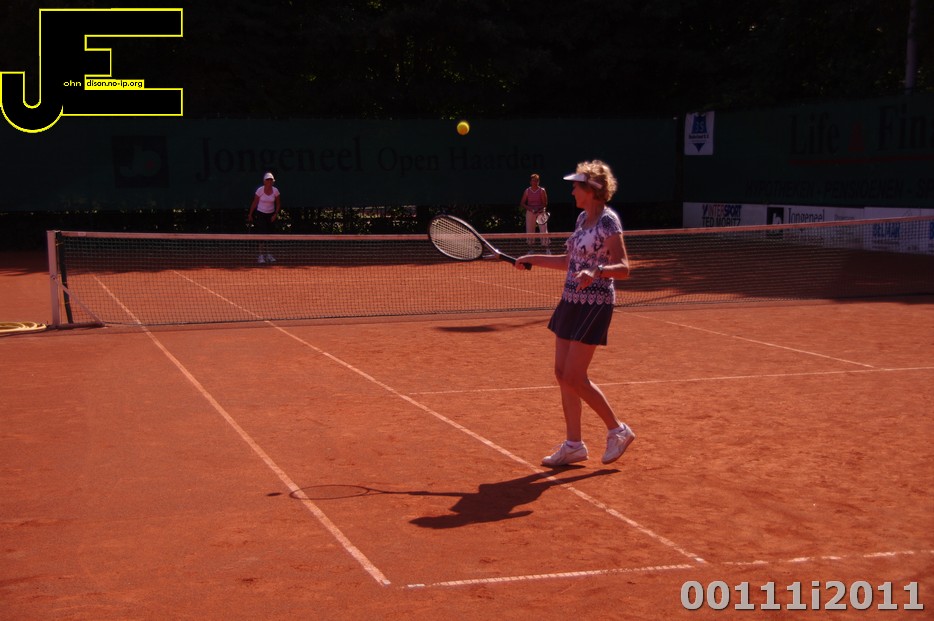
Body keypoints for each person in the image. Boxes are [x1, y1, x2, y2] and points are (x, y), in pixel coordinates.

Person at [515, 160, 635, 467]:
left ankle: (618, 430)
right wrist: (532, 258)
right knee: (562, 375)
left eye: (576, 187)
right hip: (570, 301)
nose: (571, 191)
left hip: (595, 305)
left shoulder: (608, 222)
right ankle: (574, 445)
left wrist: (596, 272)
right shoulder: (583, 218)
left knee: (574, 376)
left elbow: (623, 268)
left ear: (591, 190)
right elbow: (568, 262)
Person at [248, 172, 281, 263]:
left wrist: (275, 214)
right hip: (261, 214)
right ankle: (261, 255)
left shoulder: (276, 191)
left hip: (271, 215)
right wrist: (250, 214)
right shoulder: (260, 190)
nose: (269, 181)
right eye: (267, 180)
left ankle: (269, 254)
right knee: (262, 234)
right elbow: (255, 203)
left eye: (271, 180)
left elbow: (278, 204)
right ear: (264, 181)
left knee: (270, 235)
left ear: (273, 181)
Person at [519, 173, 550, 250]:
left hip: (541, 212)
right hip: (530, 212)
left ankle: (546, 248)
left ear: (538, 182)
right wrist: (531, 209)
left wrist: (538, 209)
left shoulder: (542, 190)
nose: (535, 182)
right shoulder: (527, 191)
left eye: (536, 181)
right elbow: (522, 203)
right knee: (530, 230)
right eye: (533, 181)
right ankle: (531, 248)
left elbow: (545, 203)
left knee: (543, 229)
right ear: (530, 182)